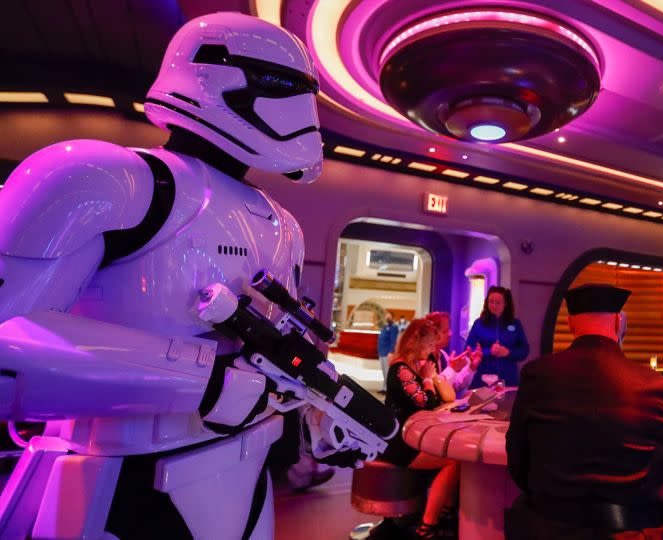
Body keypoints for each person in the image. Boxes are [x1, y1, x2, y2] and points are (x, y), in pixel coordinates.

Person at [0, 12, 393, 539]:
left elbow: (282, 350)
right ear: (214, 75)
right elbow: (9, 341)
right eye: (283, 85)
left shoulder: (284, 225)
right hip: (121, 475)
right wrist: (203, 380)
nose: (300, 107)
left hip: (247, 475)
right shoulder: (106, 178)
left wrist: (316, 417)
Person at [505, 284, 663, 539]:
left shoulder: (535, 376)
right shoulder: (656, 385)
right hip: (632, 533)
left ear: (570, 325)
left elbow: (517, 462)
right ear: (618, 323)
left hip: (546, 530)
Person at [382, 319, 458, 538]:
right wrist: (427, 378)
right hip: (398, 442)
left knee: (453, 457)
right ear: (416, 342)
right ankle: (429, 523)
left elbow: (446, 397)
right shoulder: (401, 369)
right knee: (454, 461)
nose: (433, 350)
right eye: (430, 345)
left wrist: (432, 375)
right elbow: (425, 403)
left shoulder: (419, 366)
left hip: (413, 437)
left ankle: (444, 513)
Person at [466, 286, 530, 388]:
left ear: (505, 304)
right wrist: (488, 351)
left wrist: (508, 352)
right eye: (491, 302)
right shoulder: (479, 323)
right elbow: (468, 348)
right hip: (482, 379)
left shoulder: (515, 323)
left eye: (498, 302)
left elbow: (524, 350)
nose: (494, 305)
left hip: (508, 379)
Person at [425, 311, 482, 398]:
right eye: (445, 331)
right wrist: (452, 368)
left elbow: (455, 385)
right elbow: (436, 390)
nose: (450, 334)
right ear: (432, 333)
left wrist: (471, 367)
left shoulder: (443, 354)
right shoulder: (424, 358)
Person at [377, 312, 400, 392]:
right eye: (386, 316)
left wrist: (391, 351)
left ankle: (387, 389)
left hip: (387, 352)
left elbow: (393, 340)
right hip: (381, 351)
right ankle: (384, 387)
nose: (387, 317)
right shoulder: (384, 326)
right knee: (383, 371)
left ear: (392, 318)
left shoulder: (394, 327)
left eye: (389, 316)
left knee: (387, 371)